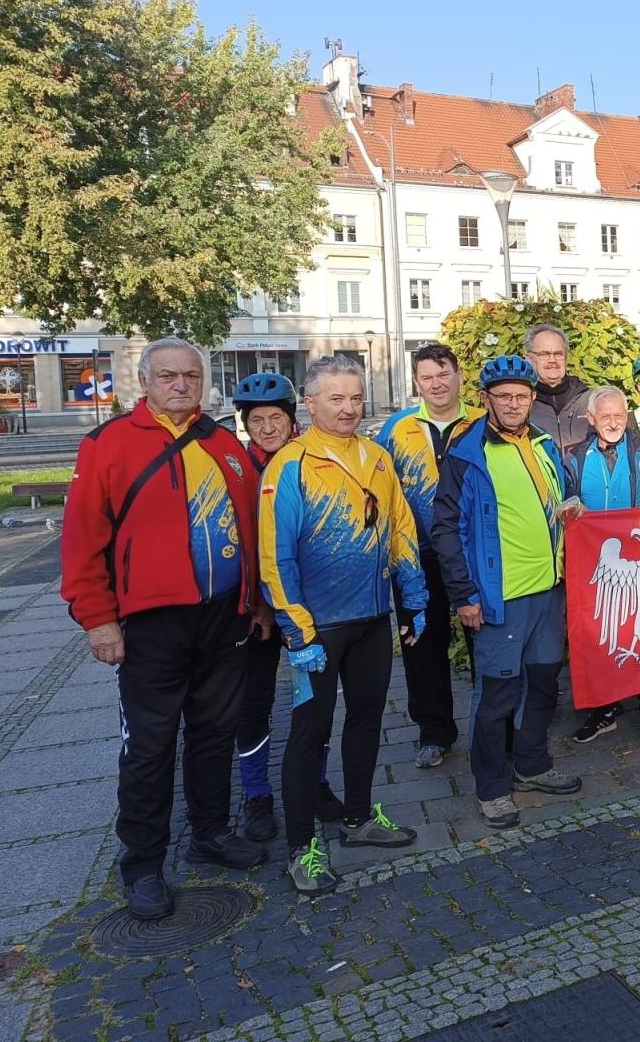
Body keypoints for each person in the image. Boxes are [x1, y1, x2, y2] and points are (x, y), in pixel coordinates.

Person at [61, 338, 265, 921]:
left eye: (191, 376)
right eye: (168, 375)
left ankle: (210, 833)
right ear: (145, 381)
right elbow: (81, 539)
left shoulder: (222, 442)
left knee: (213, 733)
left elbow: (248, 527)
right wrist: (98, 619)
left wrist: (254, 601)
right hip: (151, 623)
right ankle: (143, 863)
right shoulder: (109, 444)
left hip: (223, 614)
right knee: (149, 747)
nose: (181, 385)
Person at [260, 354, 427, 895]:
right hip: (319, 630)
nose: (349, 408)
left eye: (356, 397)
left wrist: (414, 597)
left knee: (366, 720)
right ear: (309, 404)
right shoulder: (290, 465)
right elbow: (275, 556)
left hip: (372, 619)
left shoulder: (376, 457)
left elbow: (400, 528)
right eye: (336, 398)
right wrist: (296, 630)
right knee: (308, 735)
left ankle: (357, 818)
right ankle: (301, 848)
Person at [433, 356, 584, 829]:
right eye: (504, 396)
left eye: (522, 396)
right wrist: (464, 595)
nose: (514, 404)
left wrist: (570, 508)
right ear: (486, 399)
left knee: (542, 684)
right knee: (497, 694)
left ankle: (532, 764)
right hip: (502, 597)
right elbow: (446, 529)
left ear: (532, 398)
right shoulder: (467, 453)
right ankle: (492, 787)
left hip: (548, 591)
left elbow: (553, 500)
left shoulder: (542, 443)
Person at [231, 373, 344, 844]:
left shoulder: (307, 460)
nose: (267, 428)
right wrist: (258, 603)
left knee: (315, 698)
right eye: (256, 420)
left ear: (292, 419)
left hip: (309, 605)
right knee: (253, 701)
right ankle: (256, 794)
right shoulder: (237, 468)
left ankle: (315, 781)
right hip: (256, 611)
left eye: (275, 418)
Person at [375, 343, 483, 770]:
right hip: (415, 559)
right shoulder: (396, 428)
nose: (437, 384)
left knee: (485, 643)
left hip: (474, 556)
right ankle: (434, 733)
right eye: (427, 377)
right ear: (416, 382)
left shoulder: (482, 423)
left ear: (459, 375)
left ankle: (494, 728)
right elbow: (379, 490)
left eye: (443, 374)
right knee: (421, 647)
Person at [564, 387, 640, 746]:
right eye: (605, 416)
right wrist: (570, 504)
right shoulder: (573, 457)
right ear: (591, 419)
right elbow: (564, 496)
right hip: (593, 561)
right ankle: (604, 709)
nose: (613, 423)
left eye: (619, 416)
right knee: (600, 633)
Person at [524, 324, 590, 450]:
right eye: (544, 354)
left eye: (558, 354)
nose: (552, 360)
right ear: (529, 359)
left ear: (566, 358)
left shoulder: (588, 400)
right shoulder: (522, 403)